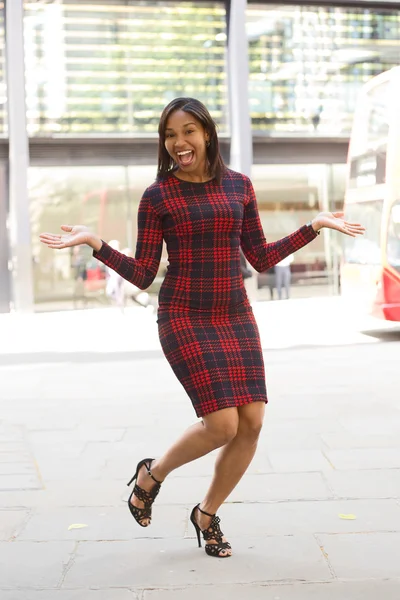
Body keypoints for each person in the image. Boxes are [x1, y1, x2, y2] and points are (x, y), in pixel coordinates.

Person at [39, 97, 365, 559]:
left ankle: (206, 514)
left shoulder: (239, 187)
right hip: (184, 316)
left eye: (187, 131)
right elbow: (144, 273)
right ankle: (151, 475)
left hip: (234, 313)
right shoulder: (158, 196)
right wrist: (95, 243)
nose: (178, 143)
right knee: (222, 424)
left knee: (251, 423)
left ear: (207, 133)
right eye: (170, 135)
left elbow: (261, 257)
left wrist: (313, 227)